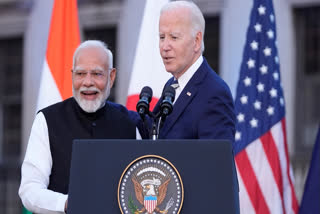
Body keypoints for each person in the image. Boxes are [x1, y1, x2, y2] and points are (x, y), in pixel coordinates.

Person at [19, 40, 141, 213]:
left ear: (111, 76)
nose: (87, 82)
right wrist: (68, 203)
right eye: (81, 73)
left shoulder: (130, 123)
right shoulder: (47, 120)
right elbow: (29, 189)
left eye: (97, 74)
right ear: (72, 76)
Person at [153, 1, 236, 141]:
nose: (165, 46)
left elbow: (216, 159)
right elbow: (155, 130)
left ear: (196, 41)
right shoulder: (171, 85)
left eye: (174, 37)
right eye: (162, 37)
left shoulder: (215, 94)